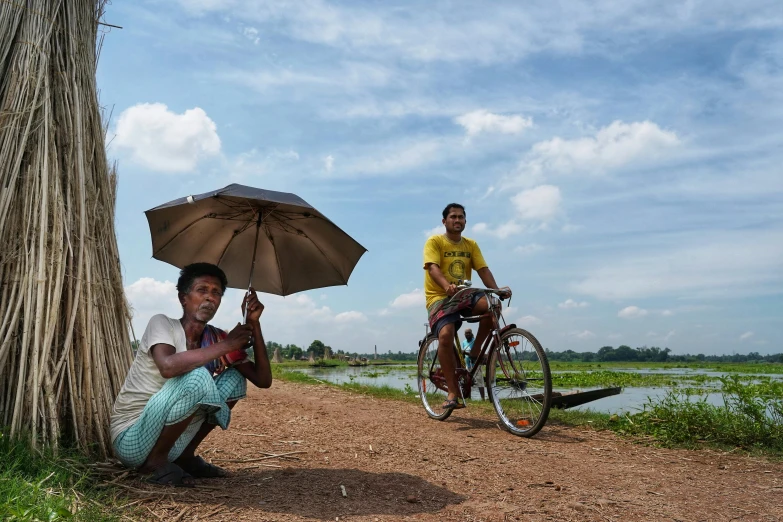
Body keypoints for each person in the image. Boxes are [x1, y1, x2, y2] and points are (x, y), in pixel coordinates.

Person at [110, 263, 272, 486]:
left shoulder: (216, 338)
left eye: (216, 293)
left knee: (235, 379)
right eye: (202, 290)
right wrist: (228, 345)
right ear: (183, 298)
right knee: (197, 377)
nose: (210, 298)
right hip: (132, 438)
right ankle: (153, 464)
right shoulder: (162, 323)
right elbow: (168, 366)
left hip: (172, 443)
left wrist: (254, 323)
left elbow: (262, 380)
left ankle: (185, 456)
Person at [423, 203, 511, 411]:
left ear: (465, 221)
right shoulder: (435, 241)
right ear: (444, 221)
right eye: (453, 217)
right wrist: (446, 286)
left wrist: (497, 290)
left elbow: (483, 269)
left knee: (492, 307)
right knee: (445, 335)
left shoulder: (470, 245)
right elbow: (432, 268)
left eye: (461, 217)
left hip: (464, 294)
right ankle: (453, 393)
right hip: (440, 297)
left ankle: (475, 351)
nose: (457, 220)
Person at [460, 328, 486, 401]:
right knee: (468, 381)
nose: (467, 334)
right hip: (468, 365)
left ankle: (483, 398)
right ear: (464, 335)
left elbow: (479, 352)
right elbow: (463, 354)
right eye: (466, 333)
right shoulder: (464, 342)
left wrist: (468, 353)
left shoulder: (475, 341)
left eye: (469, 333)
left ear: (471, 334)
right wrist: (463, 354)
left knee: (479, 380)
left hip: (476, 364)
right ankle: (469, 398)